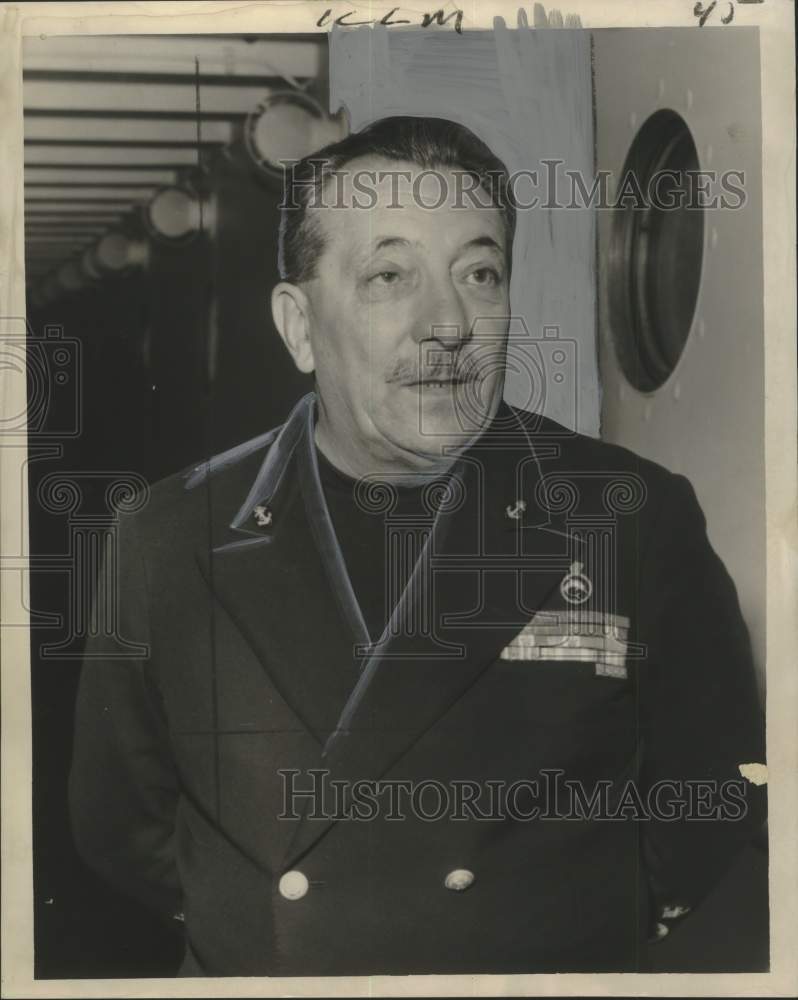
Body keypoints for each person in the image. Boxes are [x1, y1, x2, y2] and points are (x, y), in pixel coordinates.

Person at [69, 116, 766, 977]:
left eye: (480, 273)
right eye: (389, 275)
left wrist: (579, 929)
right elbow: (121, 818)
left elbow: (710, 787)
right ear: (298, 324)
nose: (448, 325)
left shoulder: (629, 514)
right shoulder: (167, 536)